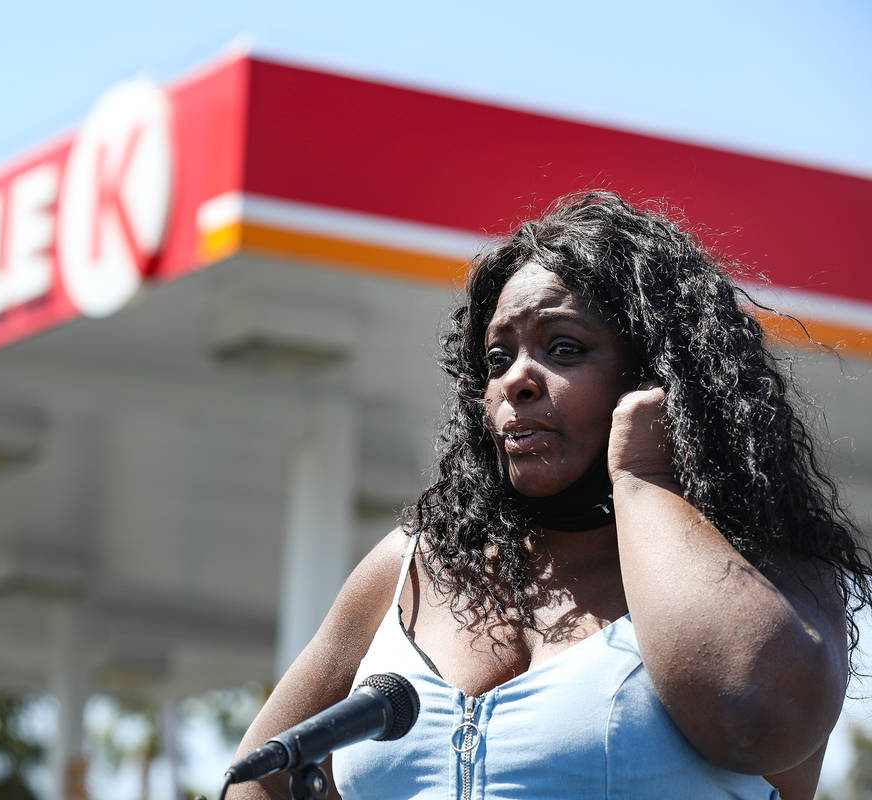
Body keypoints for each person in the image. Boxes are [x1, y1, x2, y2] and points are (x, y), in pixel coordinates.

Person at [230, 192, 872, 800]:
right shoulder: (415, 565)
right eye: (496, 359)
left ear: (654, 371)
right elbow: (256, 778)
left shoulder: (768, 566)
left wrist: (643, 475)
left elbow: (755, 720)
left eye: (564, 349)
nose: (516, 381)